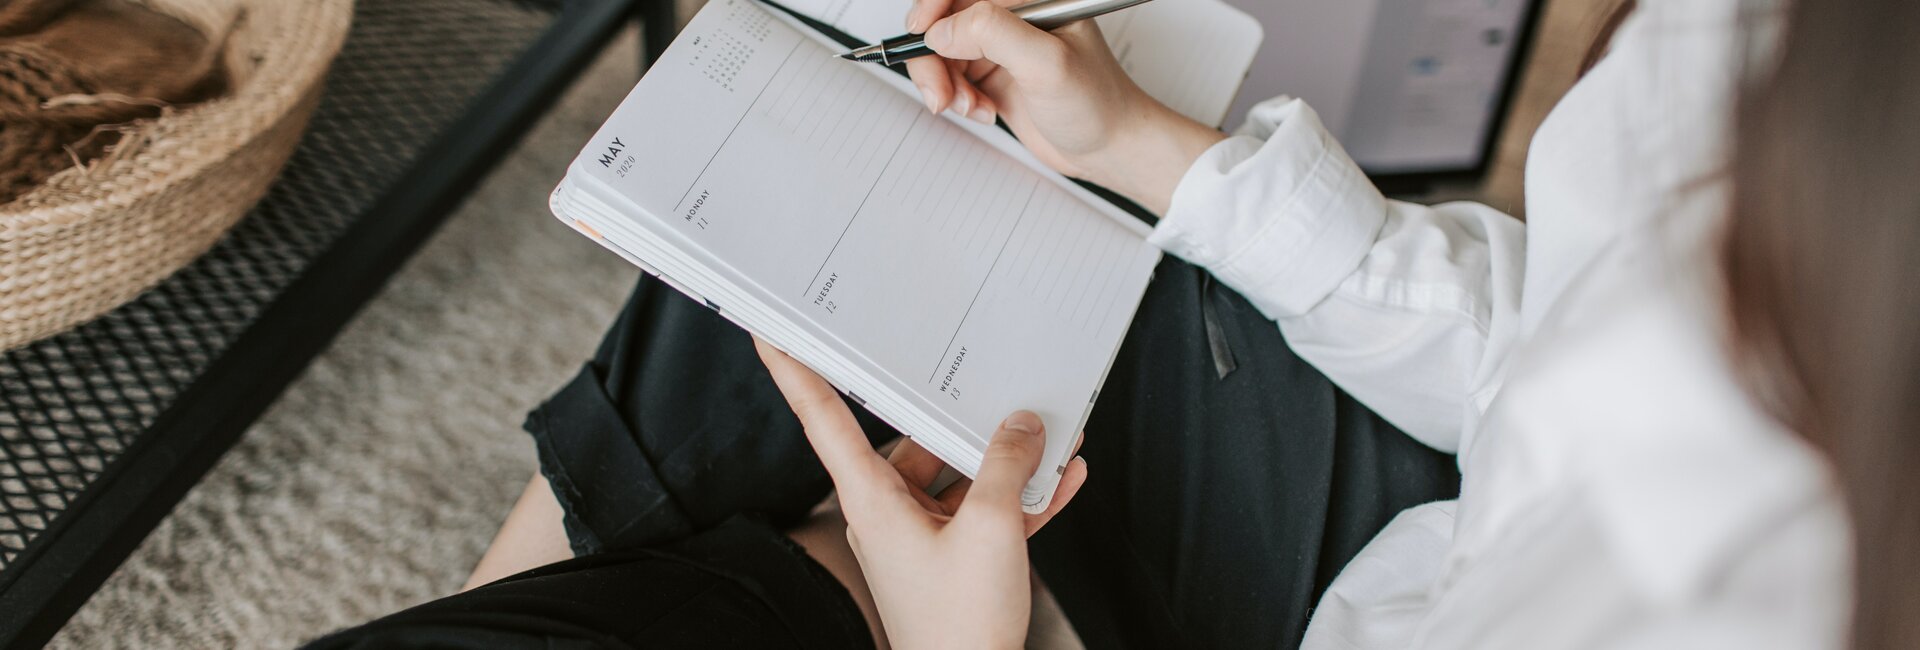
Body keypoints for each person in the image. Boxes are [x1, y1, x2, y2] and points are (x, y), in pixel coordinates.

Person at [309, 0, 1919, 647]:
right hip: (1430, 543)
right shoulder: (1775, 46)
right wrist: (1144, 144)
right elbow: (1545, 350)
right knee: (876, 181)